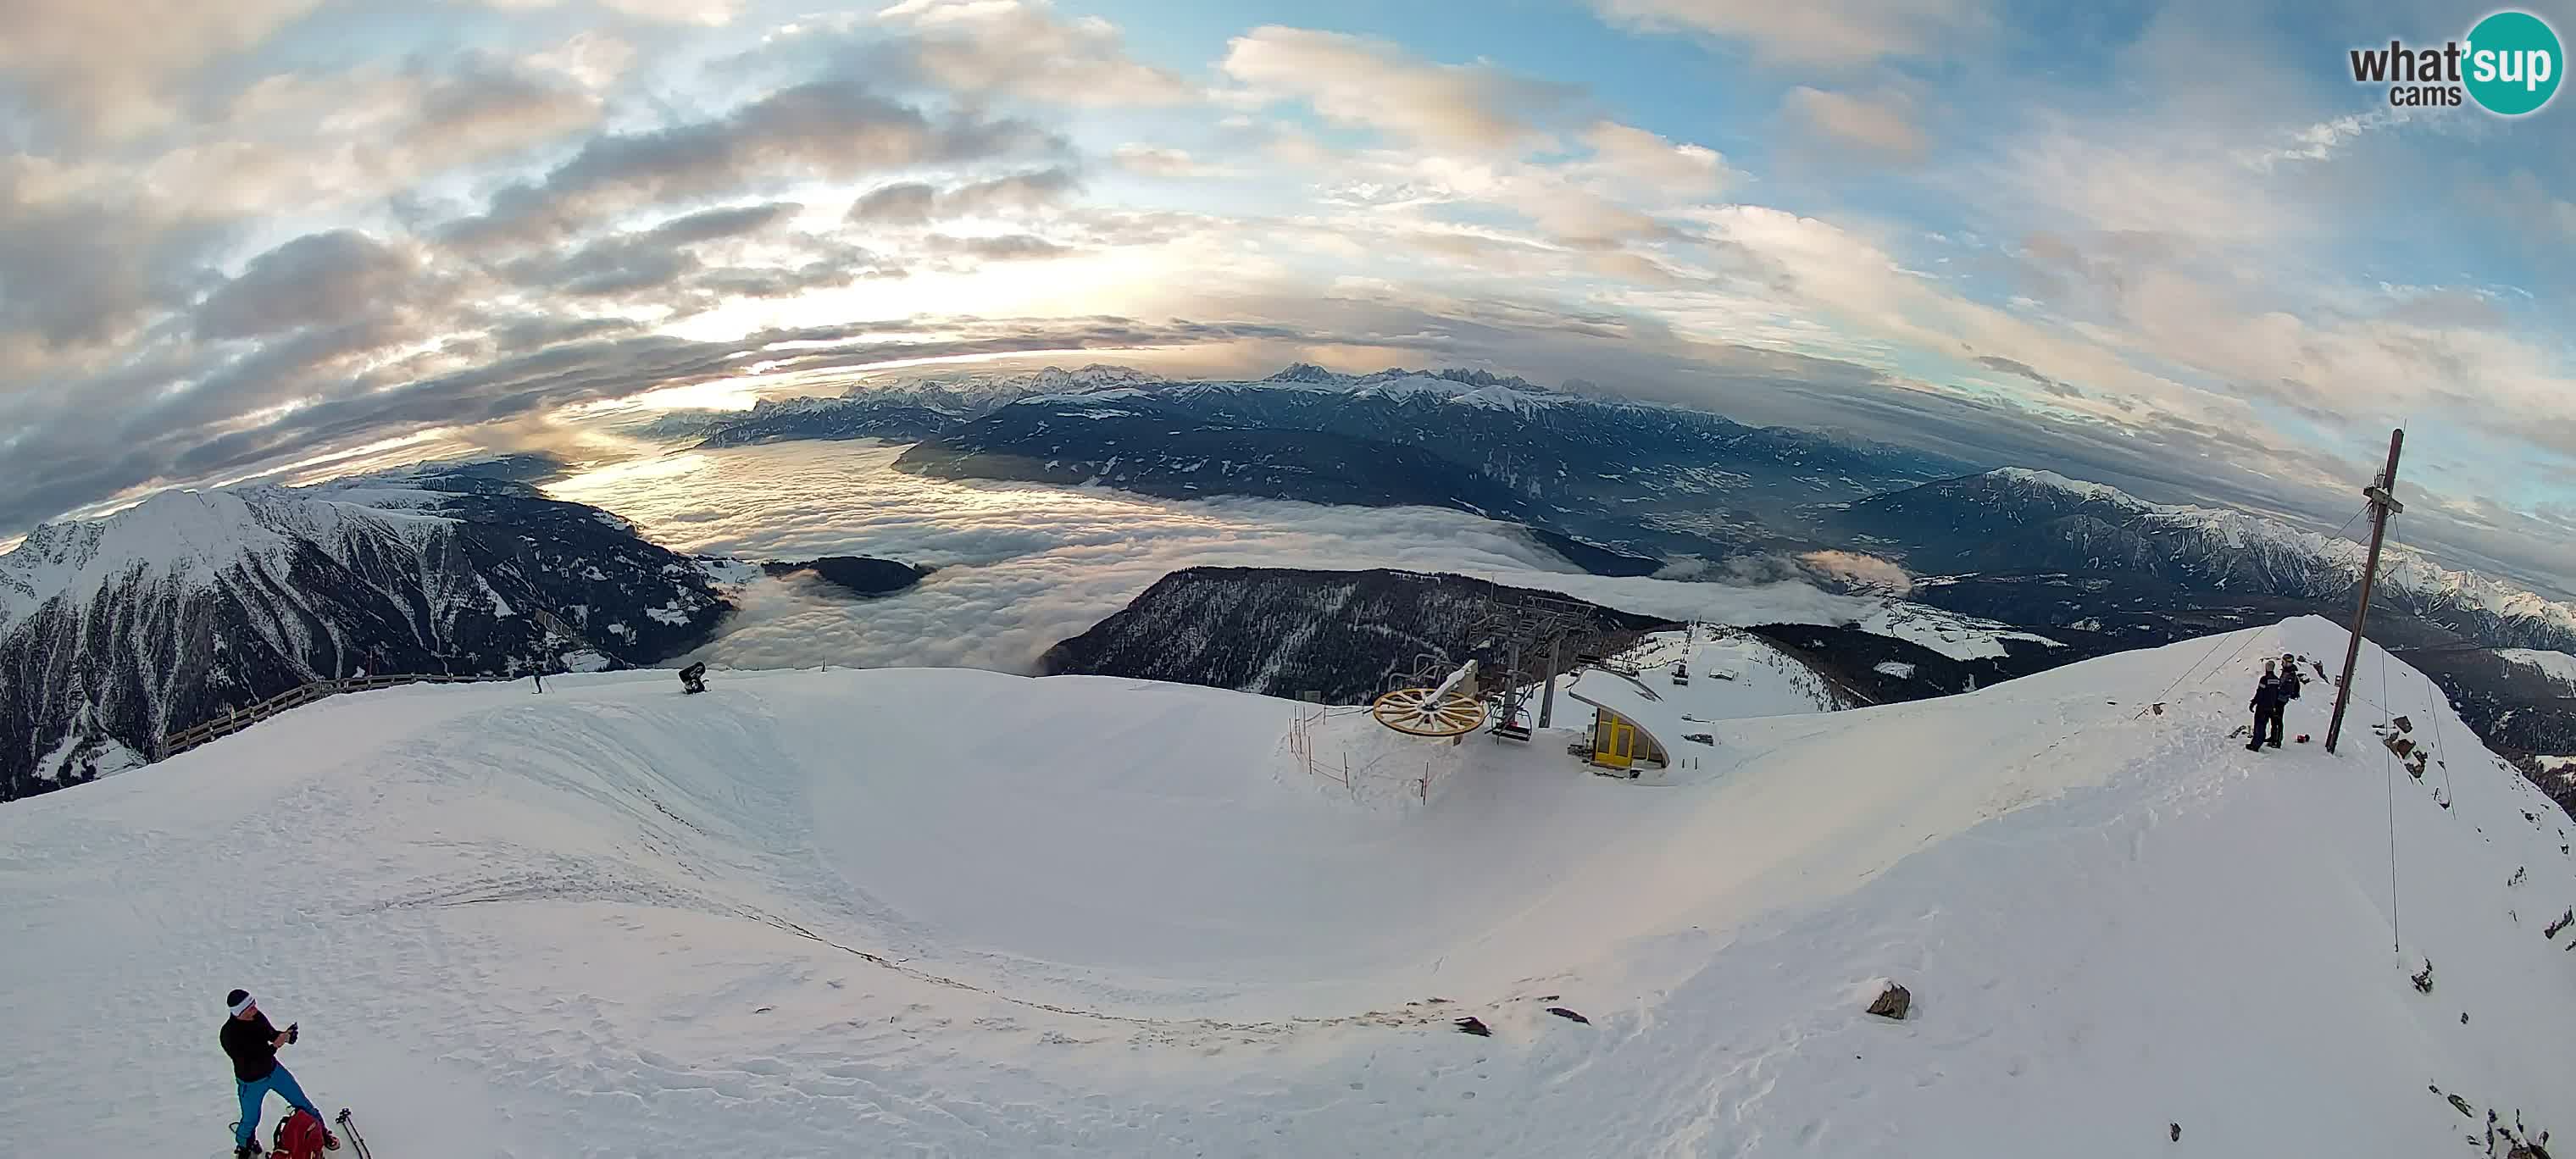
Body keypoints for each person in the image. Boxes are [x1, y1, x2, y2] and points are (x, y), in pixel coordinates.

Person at [222, 990, 336, 1156]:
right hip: (250, 1082)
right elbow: (250, 1063)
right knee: (250, 1119)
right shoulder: (229, 1035)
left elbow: (270, 1033)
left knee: (302, 1103)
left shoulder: (257, 1017)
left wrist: (285, 1036)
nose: (256, 1009)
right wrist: (275, 1045)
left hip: (274, 1071)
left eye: (254, 1004)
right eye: (250, 1008)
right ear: (239, 1012)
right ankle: (245, 1145)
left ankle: (321, 1132)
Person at [2247, 661, 2288, 751]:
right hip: (2271, 707)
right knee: (2264, 724)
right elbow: (2277, 694)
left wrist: (2253, 703)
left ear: (2266, 668)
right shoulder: (2277, 680)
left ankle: (2255, 745)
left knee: (2259, 725)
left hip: (2262, 706)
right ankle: (2258, 742)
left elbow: (2260, 693)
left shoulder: (2264, 679)